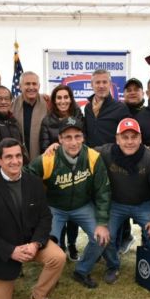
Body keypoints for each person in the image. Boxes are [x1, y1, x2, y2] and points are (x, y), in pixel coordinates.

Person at [0, 138, 66, 299]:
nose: (15, 161)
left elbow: (45, 217)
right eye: (8, 157)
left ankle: (38, 297)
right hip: (4, 250)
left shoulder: (34, 182)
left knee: (58, 257)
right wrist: (11, 251)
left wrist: (36, 243)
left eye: (18, 156)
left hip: (31, 242)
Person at [27, 117, 111, 289]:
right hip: (55, 207)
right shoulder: (49, 157)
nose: (73, 142)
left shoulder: (93, 157)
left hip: (82, 205)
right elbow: (26, 175)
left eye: (77, 136)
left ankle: (81, 271)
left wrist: (102, 222)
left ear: (83, 137)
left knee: (101, 238)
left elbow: (103, 191)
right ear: (60, 139)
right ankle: (53, 274)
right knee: (50, 244)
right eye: (68, 137)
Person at [97, 118, 150, 284]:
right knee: (104, 235)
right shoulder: (106, 152)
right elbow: (81, 151)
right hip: (116, 203)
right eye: (125, 137)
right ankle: (112, 265)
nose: (130, 141)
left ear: (140, 139)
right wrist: (56, 147)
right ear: (117, 139)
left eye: (134, 137)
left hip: (144, 204)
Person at [39, 84, 84, 261]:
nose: (63, 101)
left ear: (71, 99)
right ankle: (60, 246)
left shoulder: (79, 116)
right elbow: (44, 148)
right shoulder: (47, 120)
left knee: (74, 207)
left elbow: (83, 141)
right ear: (54, 100)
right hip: (56, 172)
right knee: (59, 210)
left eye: (66, 97)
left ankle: (72, 244)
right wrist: (51, 149)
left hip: (77, 169)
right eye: (59, 98)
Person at [83, 69, 130, 147]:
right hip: (91, 156)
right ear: (92, 85)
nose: (101, 86)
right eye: (97, 82)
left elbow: (127, 136)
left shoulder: (120, 108)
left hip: (112, 157)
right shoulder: (88, 108)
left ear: (110, 84)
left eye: (104, 82)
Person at [12, 71, 48, 160]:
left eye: (34, 84)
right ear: (20, 86)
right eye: (27, 84)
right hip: (19, 159)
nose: (31, 87)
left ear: (39, 86)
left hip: (44, 158)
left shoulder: (48, 104)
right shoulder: (12, 106)